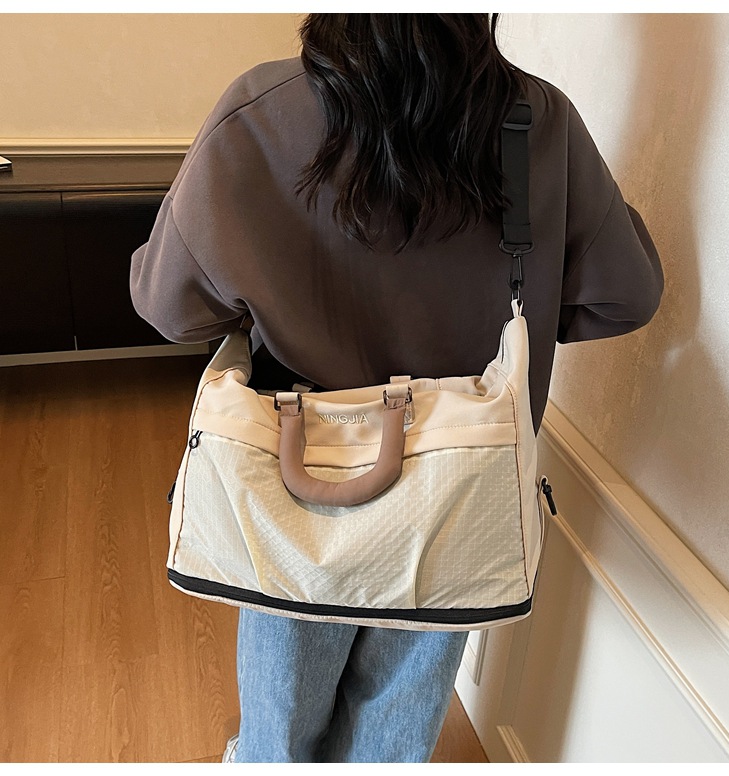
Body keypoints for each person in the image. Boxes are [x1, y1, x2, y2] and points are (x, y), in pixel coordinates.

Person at [130, 14, 664, 763]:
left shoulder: (259, 111)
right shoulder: (537, 123)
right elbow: (626, 295)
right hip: (461, 483)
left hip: (295, 472)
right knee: (394, 738)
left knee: (282, 726)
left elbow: (168, 305)